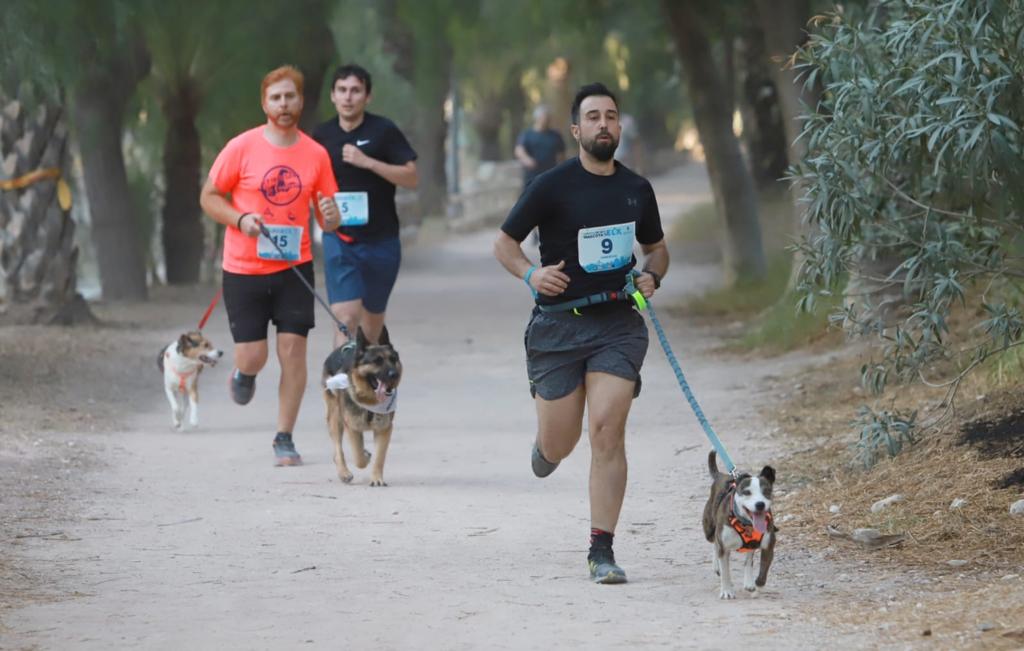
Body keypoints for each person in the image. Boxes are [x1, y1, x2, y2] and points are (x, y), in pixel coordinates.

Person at [493, 82, 669, 584]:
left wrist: (652, 275)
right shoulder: (550, 186)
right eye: (593, 117)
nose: (603, 124)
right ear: (576, 129)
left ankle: (602, 550)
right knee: (562, 441)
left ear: (619, 125)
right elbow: (504, 244)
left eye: (611, 116)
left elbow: (657, 250)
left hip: (617, 323)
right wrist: (530, 274)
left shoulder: (636, 188)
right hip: (557, 328)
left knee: (607, 432)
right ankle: (546, 448)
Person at [199, 65, 341, 467]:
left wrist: (331, 215)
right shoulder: (241, 147)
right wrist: (240, 220)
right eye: (275, 97)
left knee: (293, 350)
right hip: (243, 268)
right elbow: (209, 196)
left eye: (290, 96)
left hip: (293, 267)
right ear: (264, 103)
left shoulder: (315, 154)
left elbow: (330, 217)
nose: (283, 104)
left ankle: (284, 436)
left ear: (300, 101)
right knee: (254, 356)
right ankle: (244, 374)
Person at [312, 64, 418, 348]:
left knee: (371, 323)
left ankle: (373, 375)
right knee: (345, 316)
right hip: (339, 238)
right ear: (333, 96)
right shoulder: (320, 137)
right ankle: (342, 385)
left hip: (381, 241)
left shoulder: (383, 130)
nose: (348, 97)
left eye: (355, 91)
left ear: (367, 97)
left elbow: (411, 177)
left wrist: (367, 162)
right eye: (342, 90)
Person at [514, 105, 566, 187]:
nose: (547, 119)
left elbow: (561, 155)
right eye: (544, 117)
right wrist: (527, 160)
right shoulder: (527, 134)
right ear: (537, 118)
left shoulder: (555, 135)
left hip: (550, 175)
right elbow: (519, 150)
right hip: (532, 176)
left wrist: (560, 169)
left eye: (548, 117)